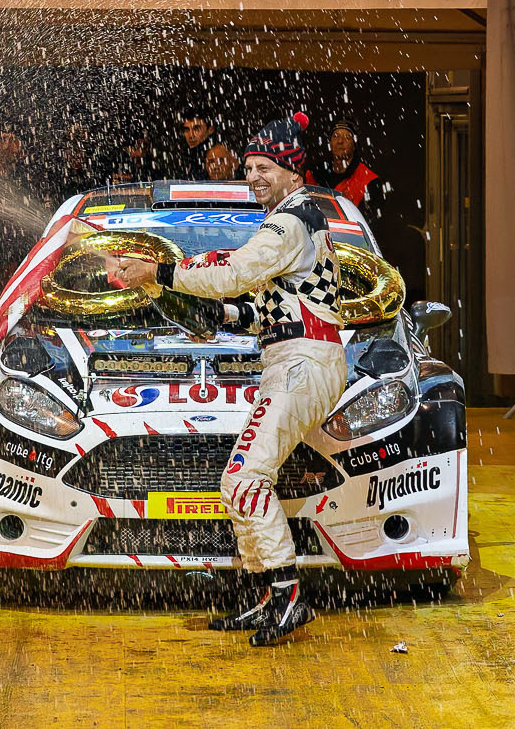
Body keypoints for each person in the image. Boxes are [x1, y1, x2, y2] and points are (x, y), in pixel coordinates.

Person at [109, 111, 344, 647]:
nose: (253, 177)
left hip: (303, 363)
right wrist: (219, 315)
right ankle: (266, 596)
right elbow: (270, 309)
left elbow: (236, 271)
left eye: (265, 168)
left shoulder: (290, 220)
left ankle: (287, 597)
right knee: (238, 483)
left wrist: (160, 272)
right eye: (249, 167)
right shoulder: (295, 219)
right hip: (297, 359)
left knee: (244, 480)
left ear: (292, 171)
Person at [319, 120, 380, 207]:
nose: (340, 141)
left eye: (347, 137)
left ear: (354, 145)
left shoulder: (368, 181)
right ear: (330, 143)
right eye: (335, 136)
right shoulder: (316, 175)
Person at [175, 110, 219, 177]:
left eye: (196, 129)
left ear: (210, 130)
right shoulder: (185, 156)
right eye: (187, 130)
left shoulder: (218, 156)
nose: (191, 135)